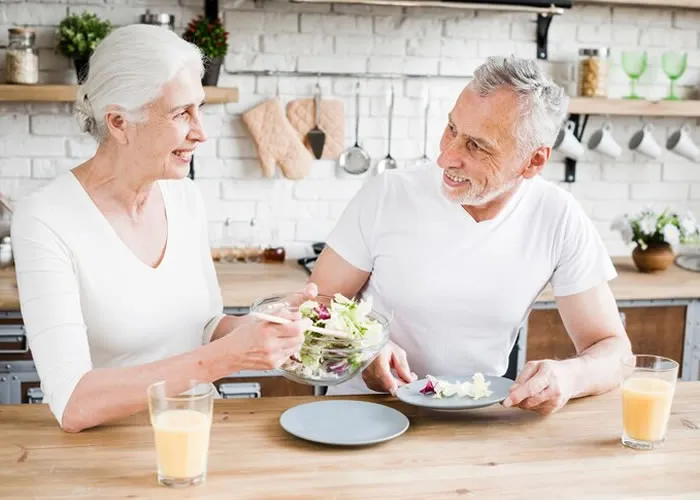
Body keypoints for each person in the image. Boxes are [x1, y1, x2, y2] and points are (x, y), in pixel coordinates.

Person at [11, 24, 314, 433]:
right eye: (180, 113)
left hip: (194, 435)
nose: (201, 132)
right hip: (107, 457)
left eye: (200, 107)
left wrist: (264, 325)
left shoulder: (184, 197)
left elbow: (204, 326)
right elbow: (73, 403)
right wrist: (228, 357)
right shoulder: (45, 219)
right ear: (119, 123)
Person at [310, 56, 632, 415]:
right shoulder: (387, 195)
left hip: (478, 422)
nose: (446, 157)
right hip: (365, 411)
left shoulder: (557, 216)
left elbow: (615, 352)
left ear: (534, 161)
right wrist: (362, 349)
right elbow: (313, 305)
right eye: (451, 128)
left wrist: (570, 376)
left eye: (477, 146)